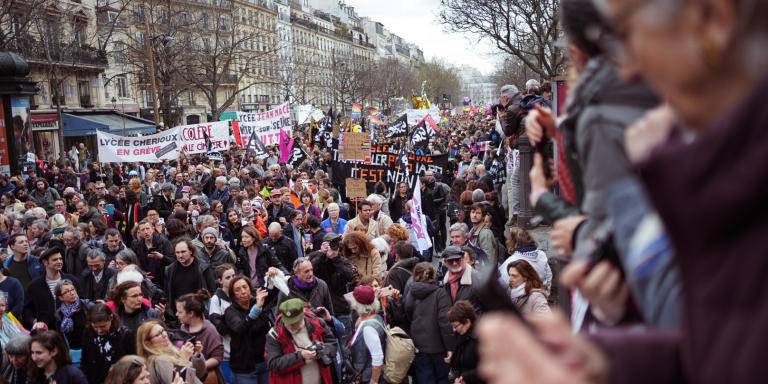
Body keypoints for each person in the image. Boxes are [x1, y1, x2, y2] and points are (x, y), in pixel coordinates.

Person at [265, 298, 337, 384]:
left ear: (303, 314)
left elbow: (333, 344)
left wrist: (324, 349)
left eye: (295, 321)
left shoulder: (317, 323)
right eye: (288, 322)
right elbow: (273, 365)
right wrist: (300, 356)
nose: (291, 325)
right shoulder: (274, 334)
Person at [405, 262, 454, 384]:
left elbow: (408, 313)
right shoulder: (440, 294)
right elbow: (445, 323)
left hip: (419, 345)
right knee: (442, 378)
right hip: (438, 346)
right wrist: (450, 347)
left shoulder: (411, 293)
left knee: (424, 379)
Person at [223, 275, 271, 384]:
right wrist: (256, 310)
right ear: (233, 295)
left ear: (250, 288)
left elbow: (273, 293)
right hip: (244, 368)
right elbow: (240, 328)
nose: (243, 291)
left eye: (245, 287)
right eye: (238, 289)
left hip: (264, 362)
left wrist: (272, 278)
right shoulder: (230, 312)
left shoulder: (257, 302)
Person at [24, 245, 81, 330]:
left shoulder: (72, 280)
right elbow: (27, 309)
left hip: (70, 330)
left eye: (60, 259)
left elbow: (81, 302)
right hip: (45, 332)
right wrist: (34, 321)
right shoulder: (34, 286)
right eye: (55, 260)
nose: (59, 262)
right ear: (45, 262)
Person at [308, 233, 357, 333]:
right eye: (330, 244)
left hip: (340, 307)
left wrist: (335, 259)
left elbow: (350, 276)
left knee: (345, 342)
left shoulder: (343, 261)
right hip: (321, 309)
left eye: (335, 244)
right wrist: (322, 254)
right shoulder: (315, 257)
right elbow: (308, 271)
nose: (333, 247)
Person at [136, 320, 207, 384]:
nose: (164, 335)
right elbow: (181, 381)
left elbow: (199, 375)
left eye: (163, 330)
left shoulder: (172, 350)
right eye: (158, 334)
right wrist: (184, 360)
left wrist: (196, 356)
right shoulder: (160, 360)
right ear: (148, 343)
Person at [175, 290, 224, 382]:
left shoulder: (210, 330)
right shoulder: (182, 328)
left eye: (180, 312)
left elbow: (217, 357)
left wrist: (199, 367)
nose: (176, 314)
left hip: (208, 378)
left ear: (191, 313)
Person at [82, 303, 135, 384]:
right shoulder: (88, 332)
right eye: (95, 327)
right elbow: (85, 359)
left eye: (103, 326)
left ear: (110, 318)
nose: (99, 331)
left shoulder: (125, 335)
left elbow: (132, 362)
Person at [163, 238, 216, 319]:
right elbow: (168, 293)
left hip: (199, 312)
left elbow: (212, 290)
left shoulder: (203, 267)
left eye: (183, 252)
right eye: (177, 252)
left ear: (191, 251)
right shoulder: (170, 270)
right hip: (179, 314)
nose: (180, 255)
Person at [347, 285, 386, 383]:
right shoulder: (376, 317)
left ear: (357, 304)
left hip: (369, 376)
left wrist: (373, 381)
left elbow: (378, 358)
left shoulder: (368, 328)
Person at [208, 264, 235, 384]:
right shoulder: (216, 300)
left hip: (243, 351)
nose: (233, 279)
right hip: (227, 353)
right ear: (220, 280)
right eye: (228, 277)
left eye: (234, 275)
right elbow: (219, 327)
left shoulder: (239, 293)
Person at [447, 300, 483, 384]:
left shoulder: (480, 338)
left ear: (467, 322)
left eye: (456, 326)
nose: (454, 329)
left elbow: (488, 368)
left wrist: (465, 377)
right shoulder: (461, 336)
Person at [54, 280, 90, 361]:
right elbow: (60, 338)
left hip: (89, 351)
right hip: (71, 355)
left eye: (73, 289)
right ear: (60, 297)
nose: (72, 293)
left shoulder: (87, 307)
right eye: (67, 292)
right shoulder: (59, 314)